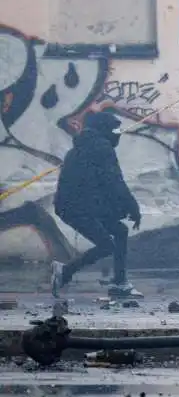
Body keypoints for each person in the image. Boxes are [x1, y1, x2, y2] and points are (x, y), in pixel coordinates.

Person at [51, 111, 143, 299]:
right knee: (106, 245)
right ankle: (65, 272)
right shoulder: (102, 148)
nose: (119, 134)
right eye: (115, 129)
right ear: (104, 130)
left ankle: (120, 282)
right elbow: (114, 181)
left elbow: (99, 183)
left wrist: (119, 208)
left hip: (79, 205)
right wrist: (133, 207)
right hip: (77, 207)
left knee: (120, 231)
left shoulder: (83, 147)